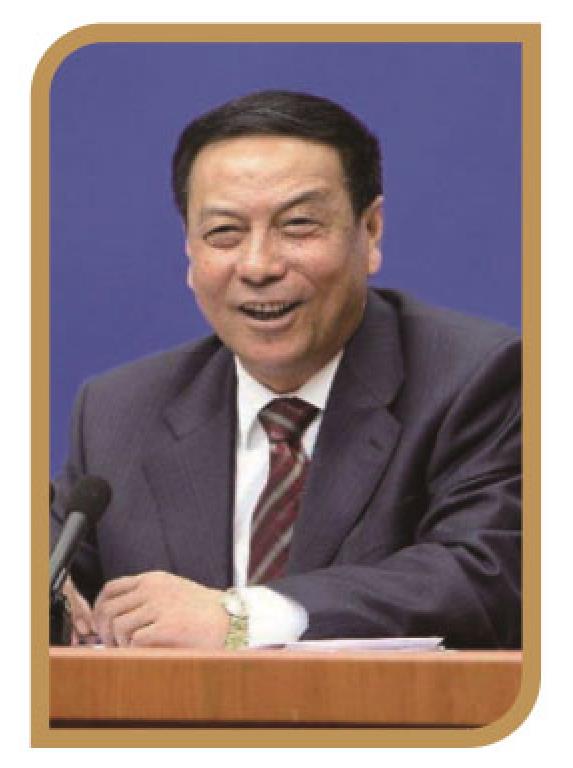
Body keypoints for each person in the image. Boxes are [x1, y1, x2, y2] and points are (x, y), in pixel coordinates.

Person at [51, 90, 521, 650]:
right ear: (190, 253)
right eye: (224, 233)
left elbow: (488, 574)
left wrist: (241, 617)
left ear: (370, 231)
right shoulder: (118, 410)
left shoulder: (477, 378)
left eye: (298, 225)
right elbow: (57, 566)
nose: (258, 266)